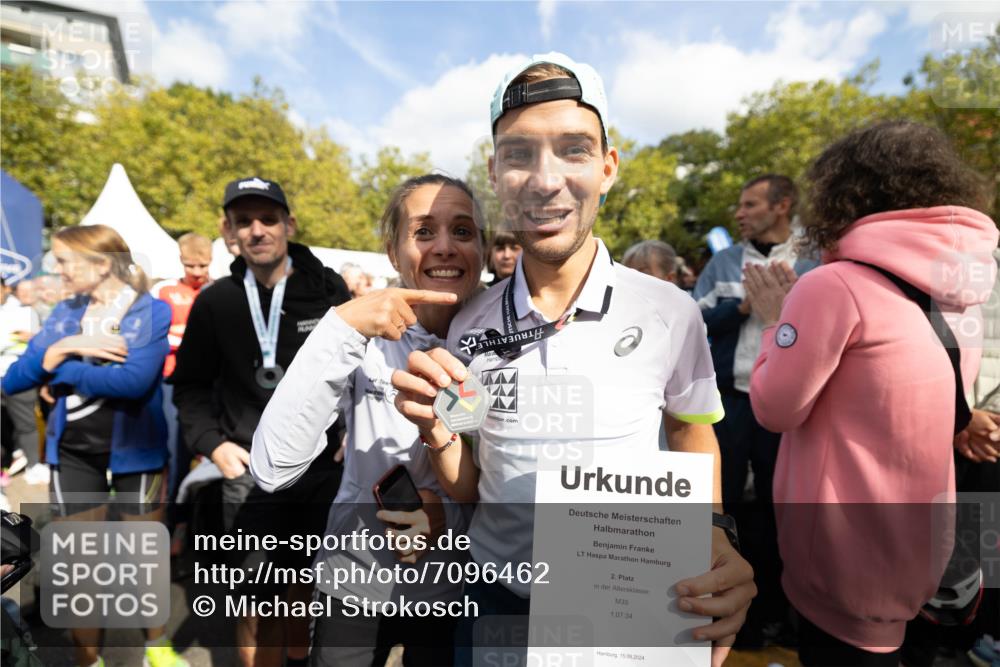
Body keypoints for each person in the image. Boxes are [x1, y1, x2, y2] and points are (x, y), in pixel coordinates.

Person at [391, 52, 755, 667]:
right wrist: (437, 434)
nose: (545, 178)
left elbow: (691, 431)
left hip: (625, 602)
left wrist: (716, 532)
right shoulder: (467, 324)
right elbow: (470, 484)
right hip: (495, 598)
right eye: (519, 154)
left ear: (609, 167)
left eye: (574, 149)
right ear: (495, 170)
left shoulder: (671, 312)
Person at [746, 121, 998, 666]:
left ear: (845, 193)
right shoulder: (963, 297)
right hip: (919, 546)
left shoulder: (831, 286)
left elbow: (773, 409)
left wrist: (773, 321)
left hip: (838, 559)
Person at [252, 174, 483, 666]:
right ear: (393, 250)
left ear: (481, 249)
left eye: (463, 231)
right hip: (355, 580)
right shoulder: (359, 333)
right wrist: (342, 327)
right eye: (423, 232)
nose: (444, 246)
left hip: (461, 590)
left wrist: (449, 511)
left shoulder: (509, 339)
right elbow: (274, 468)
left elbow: (517, 476)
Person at [171, 177, 350, 667]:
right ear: (228, 231)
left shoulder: (326, 289)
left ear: (288, 224)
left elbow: (363, 364)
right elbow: (188, 386)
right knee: (254, 597)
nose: (256, 230)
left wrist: (353, 427)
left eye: (267, 219)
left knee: (306, 590)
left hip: (320, 470)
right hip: (246, 470)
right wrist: (213, 444)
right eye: (243, 221)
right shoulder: (216, 301)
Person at [1, 224, 187, 667]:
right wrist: (65, 346)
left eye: (64, 261)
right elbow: (14, 380)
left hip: (138, 453)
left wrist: (60, 373)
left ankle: (156, 645)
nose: (56, 270)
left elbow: (134, 380)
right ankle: (88, 659)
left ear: (102, 264)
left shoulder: (150, 311)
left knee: (145, 555)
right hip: (73, 454)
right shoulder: (64, 315)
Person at [691, 174, 817, 646]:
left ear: (782, 205)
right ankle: (727, 616)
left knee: (779, 511)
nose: (739, 213)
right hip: (729, 405)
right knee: (721, 512)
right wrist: (743, 308)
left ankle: (776, 615)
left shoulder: (814, 260)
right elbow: (696, 317)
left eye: (750, 204)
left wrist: (784, 312)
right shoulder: (723, 262)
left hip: (787, 410)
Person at [151, 233, 213, 550]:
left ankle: (190, 524)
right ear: (180, 260)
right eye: (191, 264)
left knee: (204, 456)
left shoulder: (218, 290)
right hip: (170, 384)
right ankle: (170, 522)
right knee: (174, 457)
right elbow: (153, 337)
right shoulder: (165, 291)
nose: (198, 271)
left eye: (203, 264)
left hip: (208, 387)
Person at [0, 278, 43, 484]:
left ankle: (33, 465)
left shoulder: (25, 311)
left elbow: (30, 340)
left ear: (6, 288)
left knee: (26, 423)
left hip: (18, 375)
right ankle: (8, 461)